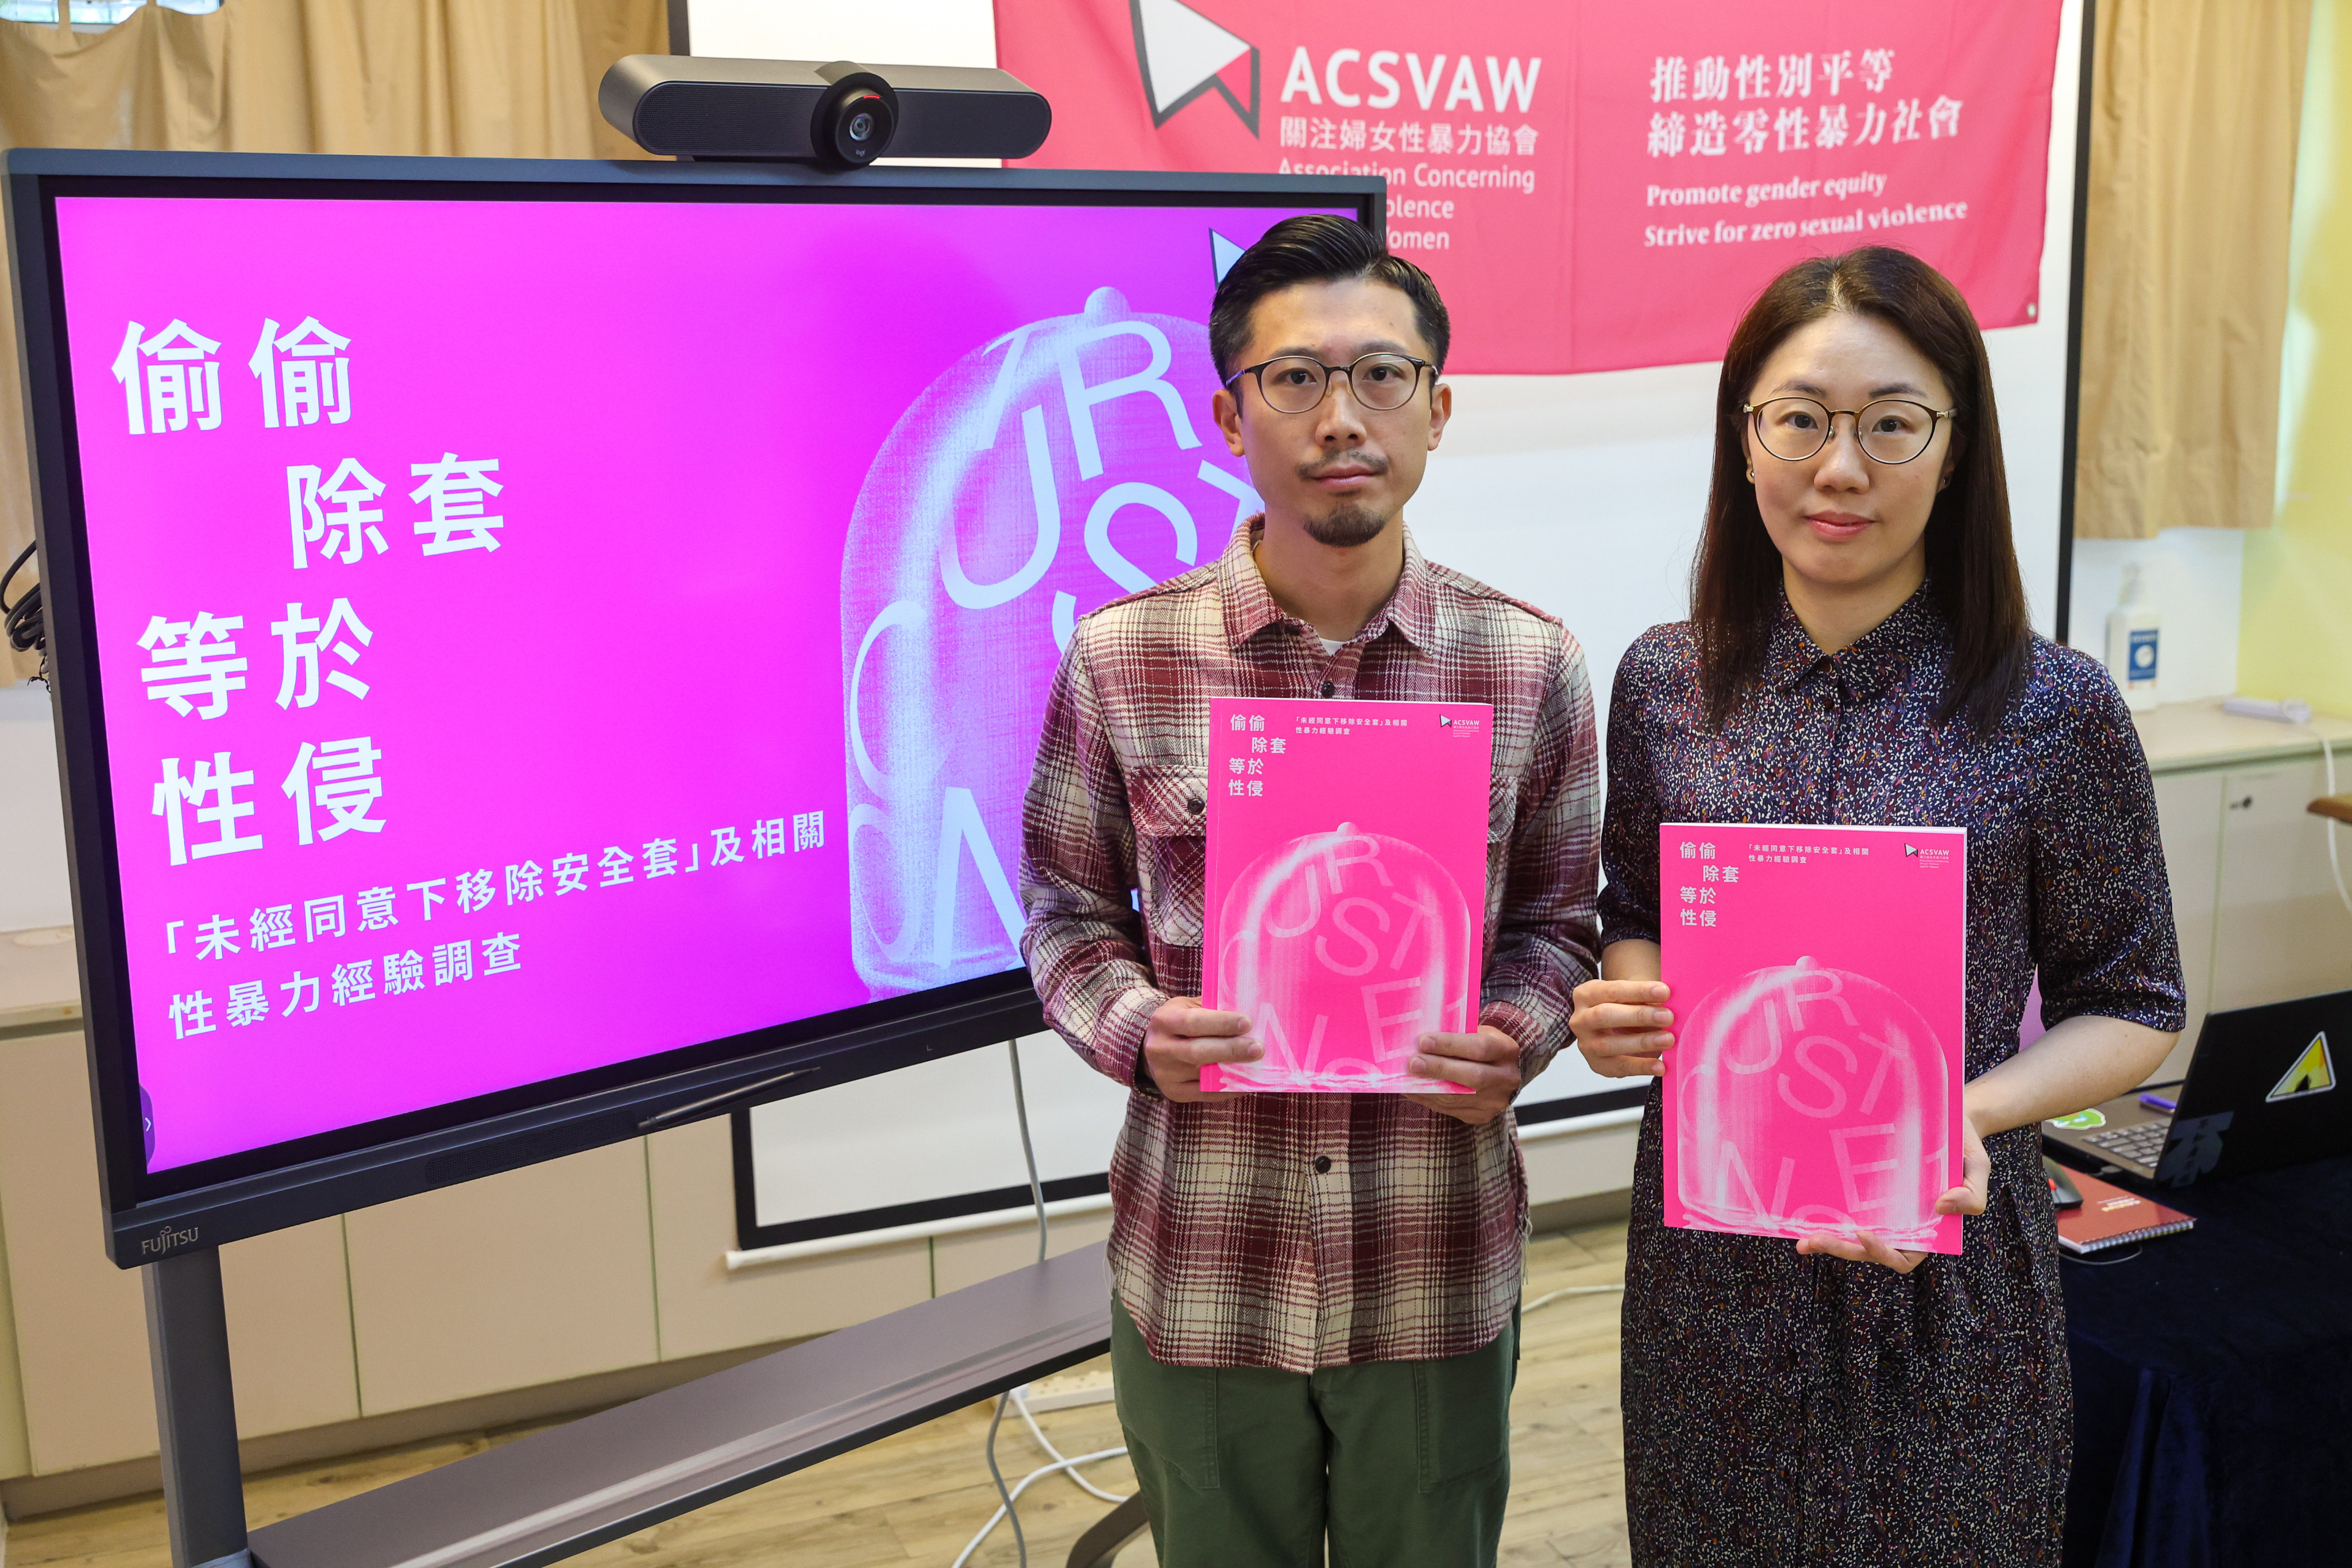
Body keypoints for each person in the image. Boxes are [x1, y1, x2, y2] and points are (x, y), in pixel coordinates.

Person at [1570, 246, 2186, 1565]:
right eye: (1797, 418)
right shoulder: (1664, 683)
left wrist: (1956, 1110)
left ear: (1952, 447)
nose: (1836, 468)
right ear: (1744, 441)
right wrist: (1628, 1001)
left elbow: (2133, 1005)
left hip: (1950, 1256)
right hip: (1712, 1266)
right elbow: (1637, 916)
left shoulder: (2051, 708)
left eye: (1889, 423)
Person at [1018, 214, 1601, 1568]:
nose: (1342, 416)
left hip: (1433, 1265)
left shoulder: (1527, 666)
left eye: (1381, 375)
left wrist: (1517, 1033)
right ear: (1230, 414)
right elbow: (1063, 915)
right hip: (1206, 1261)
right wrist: (1131, 1032)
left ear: (1436, 408)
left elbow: (1557, 929)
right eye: (1295, 378)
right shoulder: (1122, 659)